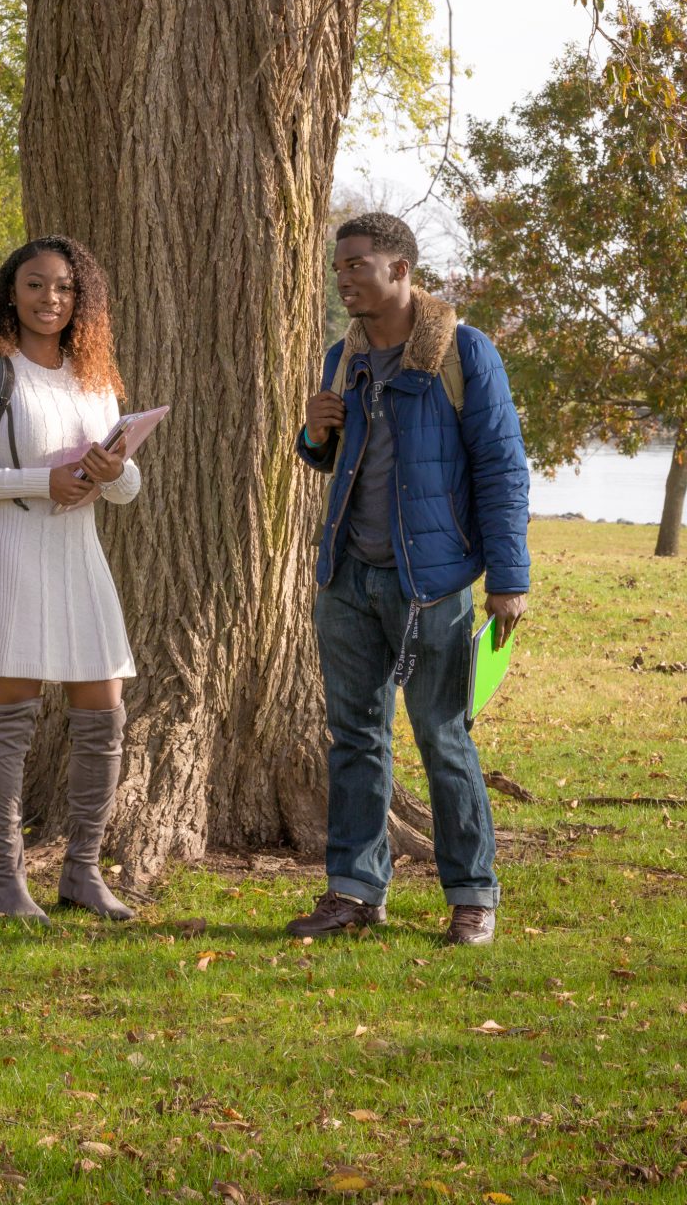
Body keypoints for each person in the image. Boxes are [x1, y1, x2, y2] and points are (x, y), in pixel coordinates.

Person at [289, 212, 530, 946]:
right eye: (339, 266)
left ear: (400, 269)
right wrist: (313, 433)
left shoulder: (463, 352)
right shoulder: (344, 357)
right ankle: (355, 892)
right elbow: (329, 459)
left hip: (434, 583)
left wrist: (509, 579)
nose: (344, 277)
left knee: (442, 736)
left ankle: (473, 896)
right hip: (347, 580)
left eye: (357, 265)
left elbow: (502, 467)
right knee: (354, 739)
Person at [0, 235, 140, 924]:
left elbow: (128, 487)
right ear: (11, 292)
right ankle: (6, 882)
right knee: (12, 723)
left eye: (65, 288)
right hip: (12, 557)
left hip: (81, 558)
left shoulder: (93, 377)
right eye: (36, 284)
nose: (51, 298)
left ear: (83, 299)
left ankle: (83, 873)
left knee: (104, 718)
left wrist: (115, 473)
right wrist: (40, 480)